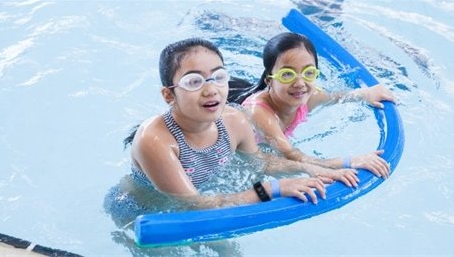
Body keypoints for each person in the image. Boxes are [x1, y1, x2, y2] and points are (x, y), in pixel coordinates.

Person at [105, 38, 362, 225]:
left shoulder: (234, 119)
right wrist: (271, 190)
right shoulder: (155, 140)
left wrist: (309, 168)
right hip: (141, 214)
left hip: (200, 201)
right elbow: (192, 205)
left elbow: (259, 162)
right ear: (168, 94)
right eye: (194, 81)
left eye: (218, 76)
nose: (211, 90)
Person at [240, 32, 396, 179]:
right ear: (269, 80)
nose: (300, 84)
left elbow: (336, 97)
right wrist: (350, 161)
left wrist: (365, 94)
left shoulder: (310, 97)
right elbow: (293, 156)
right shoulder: (258, 113)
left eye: (308, 73)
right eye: (287, 74)